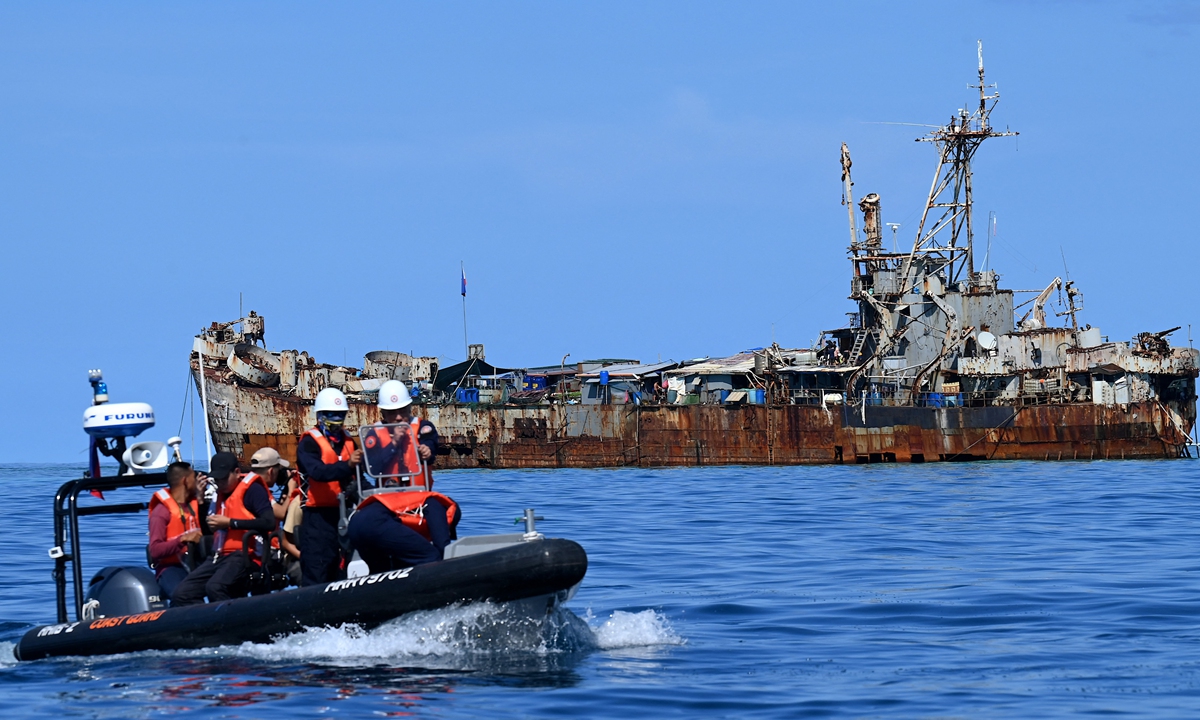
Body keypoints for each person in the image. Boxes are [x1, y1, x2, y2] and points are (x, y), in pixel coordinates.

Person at [347, 380, 459, 574]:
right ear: (383, 413)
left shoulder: (423, 427)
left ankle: (445, 564)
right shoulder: (374, 434)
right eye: (392, 413)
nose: (399, 417)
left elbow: (431, 445)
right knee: (372, 523)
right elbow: (373, 464)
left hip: (418, 496)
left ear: (409, 408)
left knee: (443, 511)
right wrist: (394, 443)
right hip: (388, 499)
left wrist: (426, 450)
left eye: (402, 411)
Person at [172, 452, 276, 605]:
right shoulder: (217, 496)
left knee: (215, 587)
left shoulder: (253, 490)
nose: (221, 483)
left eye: (224, 478)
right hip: (218, 557)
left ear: (236, 472)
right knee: (183, 593)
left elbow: (269, 522)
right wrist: (200, 501)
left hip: (245, 556)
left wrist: (230, 523)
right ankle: (204, 624)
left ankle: (232, 624)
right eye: (217, 479)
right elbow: (208, 531)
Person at [295, 387, 362, 586]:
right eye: (331, 415)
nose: (336, 419)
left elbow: (360, 475)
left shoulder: (349, 442)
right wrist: (347, 465)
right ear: (320, 415)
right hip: (318, 517)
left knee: (345, 566)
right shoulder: (309, 443)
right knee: (318, 567)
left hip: (346, 513)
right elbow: (318, 472)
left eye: (340, 415)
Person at [147, 461, 204, 601]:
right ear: (185, 480)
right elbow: (155, 550)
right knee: (184, 596)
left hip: (196, 564)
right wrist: (182, 540)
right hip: (171, 568)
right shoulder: (161, 511)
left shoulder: (196, 504)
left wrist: (201, 500)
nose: (196, 480)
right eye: (193, 476)